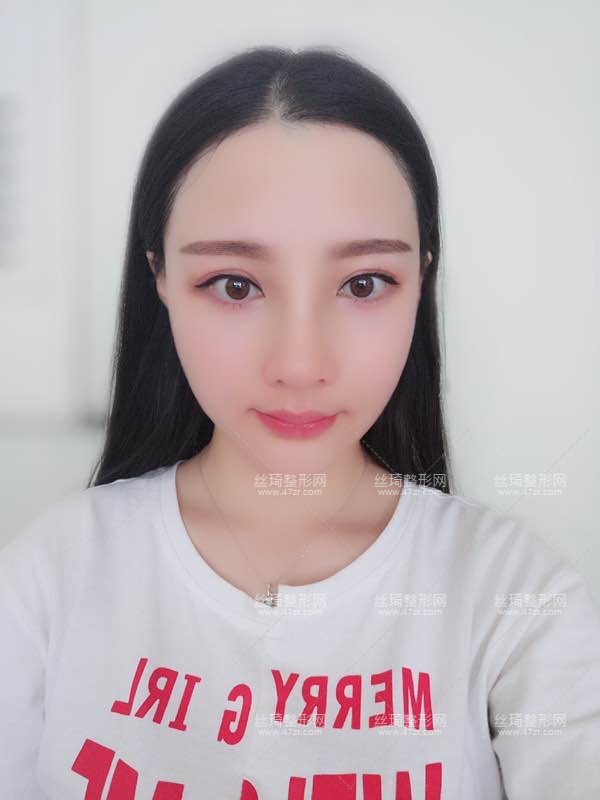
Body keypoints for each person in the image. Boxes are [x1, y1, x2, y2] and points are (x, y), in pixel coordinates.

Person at [1, 45, 599, 799]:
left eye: (364, 283)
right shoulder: (52, 578)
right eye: (234, 285)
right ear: (160, 276)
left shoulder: (515, 602)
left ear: (422, 279)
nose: (300, 364)